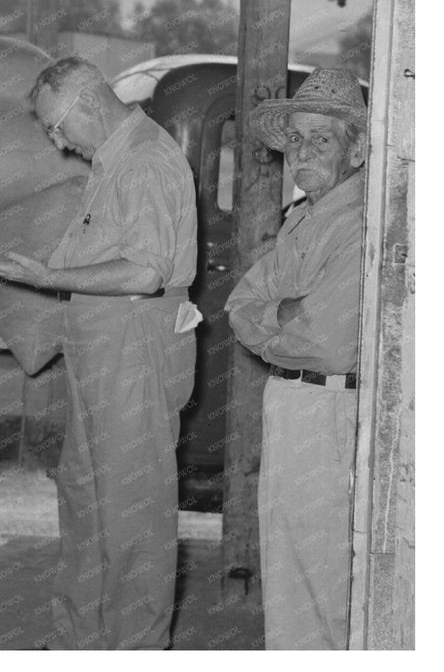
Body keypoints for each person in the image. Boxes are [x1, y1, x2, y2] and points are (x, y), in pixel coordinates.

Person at [0, 56, 200, 650]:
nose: (56, 141)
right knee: (85, 496)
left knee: (133, 509)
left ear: (91, 104)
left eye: (56, 126)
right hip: (103, 343)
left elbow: (146, 271)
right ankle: (79, 642)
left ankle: (133, 650)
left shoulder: (146, 162)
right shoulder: (115, 161)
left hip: (135, 341)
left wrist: (51, 277)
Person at [224, 68, 368, 650]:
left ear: (356, 148)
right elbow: (240, 304)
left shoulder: (359, 223)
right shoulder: (305, 215)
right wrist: (285, 312)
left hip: (327, 406)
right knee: (287, 565)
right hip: (291, 398)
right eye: (297, 141)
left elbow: (328, 339)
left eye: (322, 140)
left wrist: (277, 314)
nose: (303, 153)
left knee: (321, 570)